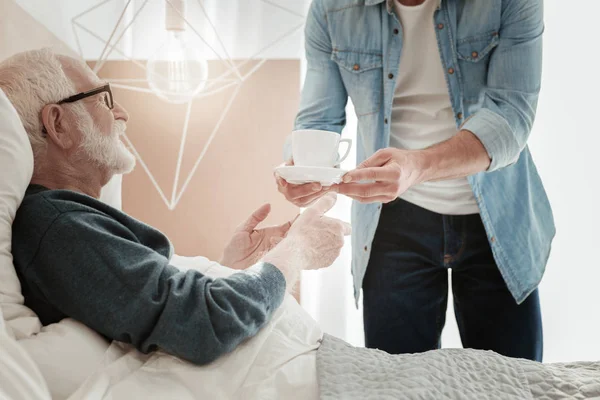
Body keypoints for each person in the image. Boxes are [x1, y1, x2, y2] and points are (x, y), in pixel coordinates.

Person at [1, 49, 351, 366]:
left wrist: (232, 269)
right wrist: (296, 252)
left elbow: (160, 308)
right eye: (104, 99)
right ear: (59, 125)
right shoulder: (58, 226)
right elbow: (204, 323)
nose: (122, 113)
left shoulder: (69, 220)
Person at [276, 0, 553, 361]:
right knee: (394, 380)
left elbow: (511, 117)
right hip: (393, 224)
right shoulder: (332, 9)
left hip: (500, 218)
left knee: (516, 381)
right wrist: (302, 167)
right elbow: (318, 119)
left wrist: (416, 167)